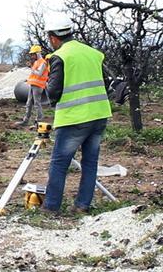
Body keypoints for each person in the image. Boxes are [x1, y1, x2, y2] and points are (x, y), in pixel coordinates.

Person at [41, 14, 112, 214]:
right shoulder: (93, 53)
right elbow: (104, 83)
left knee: (59, 163)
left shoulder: (61, 56)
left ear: (53, 37)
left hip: (74, 118)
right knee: (90, 163)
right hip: (99, 115)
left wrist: (50, 98)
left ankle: (51, 207)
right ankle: (82, 206)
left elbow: (53, 91)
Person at [16, 45, 48, 126]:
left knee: (37, 104)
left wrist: (32, 68)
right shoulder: (36, 62)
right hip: (32, 85)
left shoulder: (43, 63)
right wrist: (31, 67)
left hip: (38, 86)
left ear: (37, 53)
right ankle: (25, 120)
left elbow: (39, 73)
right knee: (29, 103)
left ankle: (39, 121)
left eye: (33, 54)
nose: (32, 56)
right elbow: (34, 73)